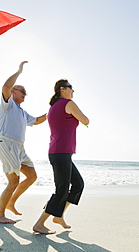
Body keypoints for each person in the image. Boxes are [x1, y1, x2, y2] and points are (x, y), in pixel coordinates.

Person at [33, 79, 89, 234]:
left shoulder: (53, 107)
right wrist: (79, 118)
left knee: (78, 184)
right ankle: (39, 224)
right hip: (60, 152)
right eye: (71, 88)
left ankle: (58, 216)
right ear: (63, 89)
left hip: (61, 153)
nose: (73, 91)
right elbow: (86, 120)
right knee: (61, 191)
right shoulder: (67, 103)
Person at [0, 61, 47, 224]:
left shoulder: (22, 112)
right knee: (13, 181)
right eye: (22, 91)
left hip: (20, 148)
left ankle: (11, 202)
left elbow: (37, 121)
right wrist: (19, 71)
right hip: (7, 144)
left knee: (31, 176)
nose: (25, 94)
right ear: (13, 91)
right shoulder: (7, 105)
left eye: (25, 92)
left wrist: (52, 110)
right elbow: (5, 87)